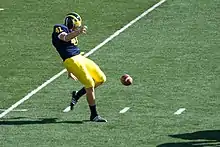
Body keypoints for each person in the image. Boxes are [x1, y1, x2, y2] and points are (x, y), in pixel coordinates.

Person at [52, 12, 107, 122]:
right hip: (72, 60)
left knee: (101, 79)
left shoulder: (71, 31)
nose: (76, 28)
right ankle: (94, 115)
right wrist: (78, 32)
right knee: (89, 84)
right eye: (75, 26)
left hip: (79, 57)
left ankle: (77, 95)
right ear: (71, 23)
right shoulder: (59, 28)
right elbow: (65, 38)